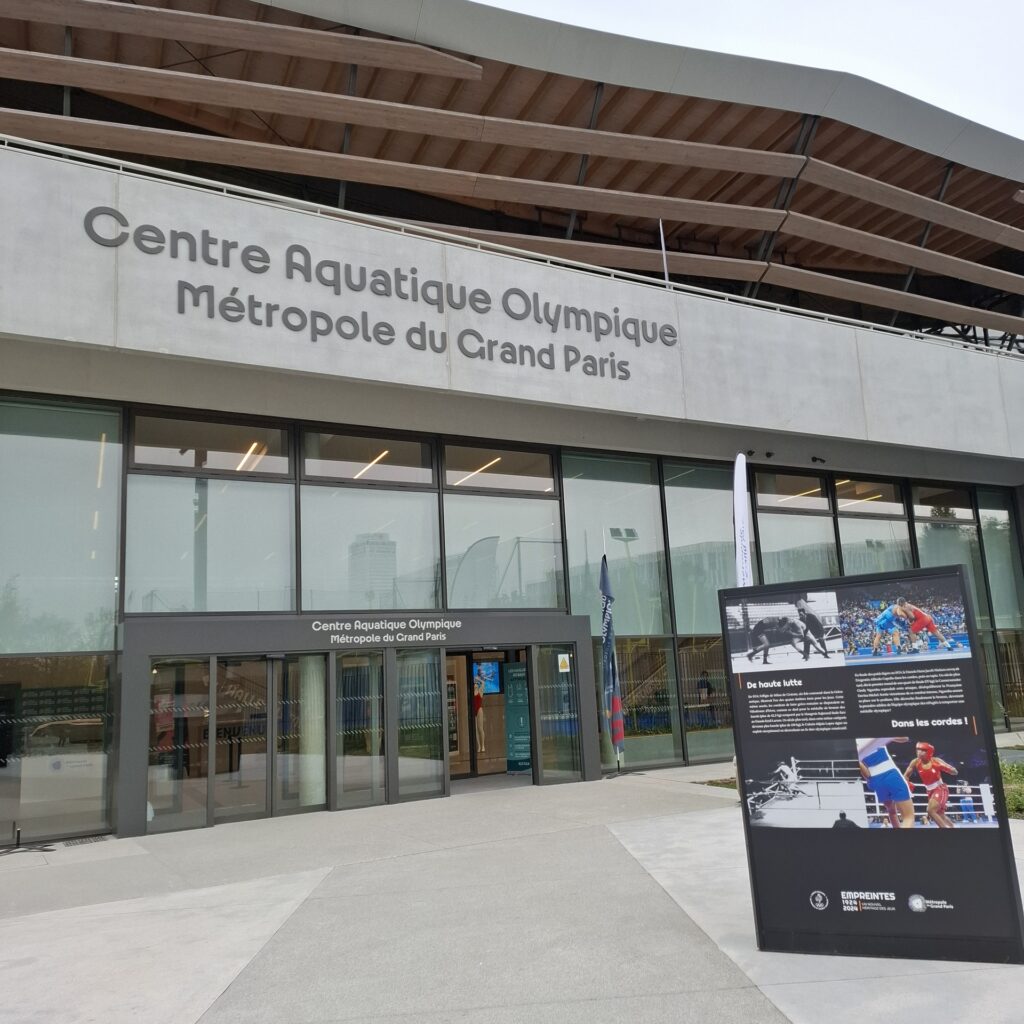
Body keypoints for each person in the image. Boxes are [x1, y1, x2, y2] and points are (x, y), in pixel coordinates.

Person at [858, 737, 915, 829]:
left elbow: (867, 774)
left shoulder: (856, 745)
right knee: (908, 817)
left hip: (876, 780)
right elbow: (905, 738)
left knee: (892, 812)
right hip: (890, 774)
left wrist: (871, 781)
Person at [904, 742, 958, 828]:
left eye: (922, 750)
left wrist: (946, 768)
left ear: (929, 752)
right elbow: (906, 775)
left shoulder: (936, 761)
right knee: (940, 814)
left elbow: (955, 772)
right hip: (929, 790)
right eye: (918, 750)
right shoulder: (915, 762)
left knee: (930, 810)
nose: (919, 752)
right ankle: (953, 827)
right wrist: (906, 784)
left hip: (940, 788)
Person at [795, 595, 830, 660]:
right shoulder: (800, 619)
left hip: (817, 631)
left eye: (801, 614)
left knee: (821, 641)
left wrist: (821, 635)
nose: (800, 616)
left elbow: (819, 625)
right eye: (799, 615)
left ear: (804, 613)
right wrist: (804, 636)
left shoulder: (811, 616)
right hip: (809, 632)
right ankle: (806, 655)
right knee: (806, 641)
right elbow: (803, 629)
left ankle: (826, 654)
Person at [473, 675, 486, 753]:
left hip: (479, 710)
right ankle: (479, 746)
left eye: (476, 683)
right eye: (474, 683)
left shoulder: (480, 691)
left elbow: (483, 683)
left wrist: (478, 679)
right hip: (473, 710)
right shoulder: (472, 692)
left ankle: (483, 745)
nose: (475, 684)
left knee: (480, 728)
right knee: (475, 730)